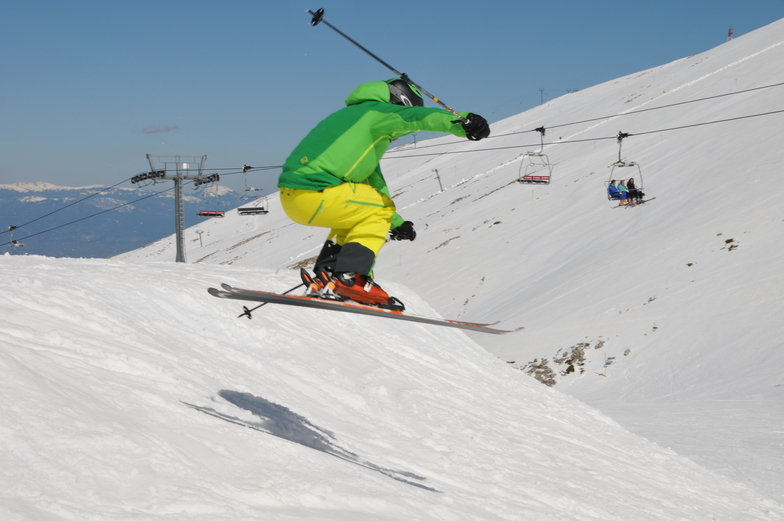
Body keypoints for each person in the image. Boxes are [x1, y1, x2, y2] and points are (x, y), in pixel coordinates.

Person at [277, 78, 490, 308]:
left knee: (358, 216)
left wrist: (396, 223)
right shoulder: (377, 113)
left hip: (294, 198)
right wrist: (464, 122)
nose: (399, 135)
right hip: (318, 192)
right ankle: (351, 277)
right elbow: (421, 118)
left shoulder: (354, 122)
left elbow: (374, 185)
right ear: (400, 102)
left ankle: (329, 275)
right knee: (378, 211)